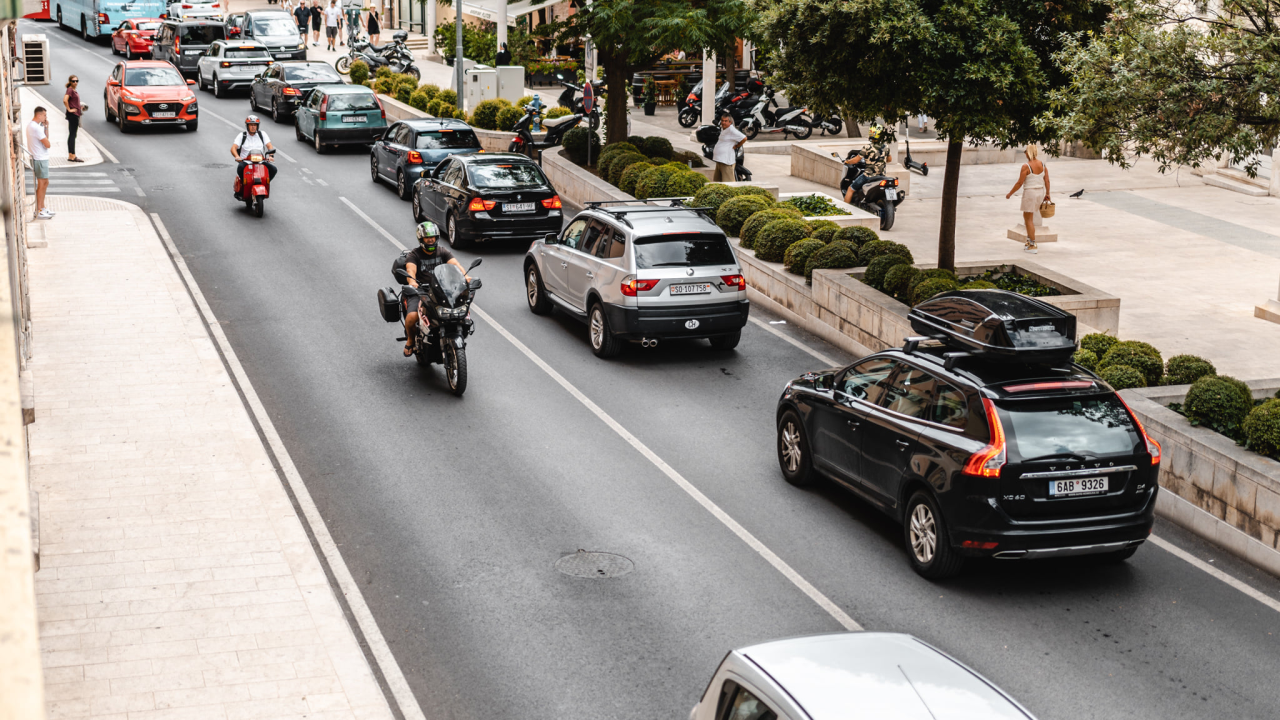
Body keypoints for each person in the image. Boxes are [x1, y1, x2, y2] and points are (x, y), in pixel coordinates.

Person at [401, 221, 471, 357]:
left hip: (441, 291)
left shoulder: (443, 252)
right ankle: (410, 340)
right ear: (421, 239)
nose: (431, 239)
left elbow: (456, 265)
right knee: (411, 317)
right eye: (428, 237)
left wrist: (466, 277)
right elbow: (410, 271)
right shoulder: (414, 255)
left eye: (433, 237)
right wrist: (413, 283)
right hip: (421, 292)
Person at [1005, 144, 1050, 254]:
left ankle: (1032, 244)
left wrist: (1010, 193)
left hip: (1030, 193)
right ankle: (1029, 240)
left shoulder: (1026, 166)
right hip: (1040, 192)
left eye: (1025, 151)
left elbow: (1020, 182)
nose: (1024, 153)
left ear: (1028, 152)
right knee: (1030, 218)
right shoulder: (1043, 165)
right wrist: (1048, 194)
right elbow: (1047, 181)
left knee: (1028, 219)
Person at [842, 123, 892, 203]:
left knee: (850, 189)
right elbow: (889, 159)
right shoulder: (886, 147)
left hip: (868, 176)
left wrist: (847, 161)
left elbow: (856, 160)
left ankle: (845, 211)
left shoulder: (867, 147)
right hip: (881, 176)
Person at [230, 115, 278, 195]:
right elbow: (233, 148)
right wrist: (237, 157)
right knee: (240, 168)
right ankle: (243, 187)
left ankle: (264, 184)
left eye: (255, 125)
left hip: (260, 161)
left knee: (273, 169)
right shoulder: (242, 135)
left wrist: (271, 156)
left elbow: (269, 146)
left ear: (257, 126)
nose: (253, 127)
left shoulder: (262, 134)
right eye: (251, 125)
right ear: (247, 126)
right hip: (246, 162)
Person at [27, 107, 53, 219]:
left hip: (40, 158)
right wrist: (44, 130)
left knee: (45, 183)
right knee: (42, 184)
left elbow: (45, 140)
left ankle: (42, 208)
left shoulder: (34, 126)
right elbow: (47, 144)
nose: (45, 117)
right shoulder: (35, 128)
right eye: (44, 115)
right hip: (39, 158)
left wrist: (46, 127)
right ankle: (38, 210)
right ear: (39, 115)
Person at [711, 112, 746, 182]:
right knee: (717, 183)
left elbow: (744, 138)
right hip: (720, 161)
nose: (723, 122)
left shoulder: (732, 130)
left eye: (726, 121)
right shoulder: (723, 129)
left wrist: (737, 146)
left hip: (726, 162)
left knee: (729, 184)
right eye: (722, 121)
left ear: (730, 122)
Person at [62, 75, 85, 163]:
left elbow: (72, 101)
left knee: (72, 134)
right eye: (73, 81)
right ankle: (72, 156)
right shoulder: (70, 89)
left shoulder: (73, 90)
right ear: (70, 81)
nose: (75, 82)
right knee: (72, 135)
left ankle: (71, 155)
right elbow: (65, 100)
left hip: (75, 114)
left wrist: (79, 107)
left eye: (76, 81)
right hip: (73, 115)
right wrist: (69, 109)